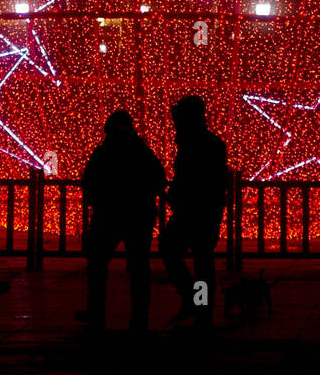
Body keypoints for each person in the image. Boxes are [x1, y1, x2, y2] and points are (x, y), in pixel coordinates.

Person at [77, 110, 166, 333]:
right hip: (138, 215)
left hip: (108, 215)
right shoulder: (142, 152)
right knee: (138, 267)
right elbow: (159, 179)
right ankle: (140, 314)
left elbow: (89, 181)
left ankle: (96, 311)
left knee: (98, 266)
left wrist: (95, 199)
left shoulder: (104, 152)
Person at [160, 95, 229, 327]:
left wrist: (179, 194)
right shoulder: (204, 142)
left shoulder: (197, 143)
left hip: (195, 210)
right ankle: (200, 305)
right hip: (202, 210)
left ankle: (198, 303)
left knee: (180, 253)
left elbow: (198, 179)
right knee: (199, 260)